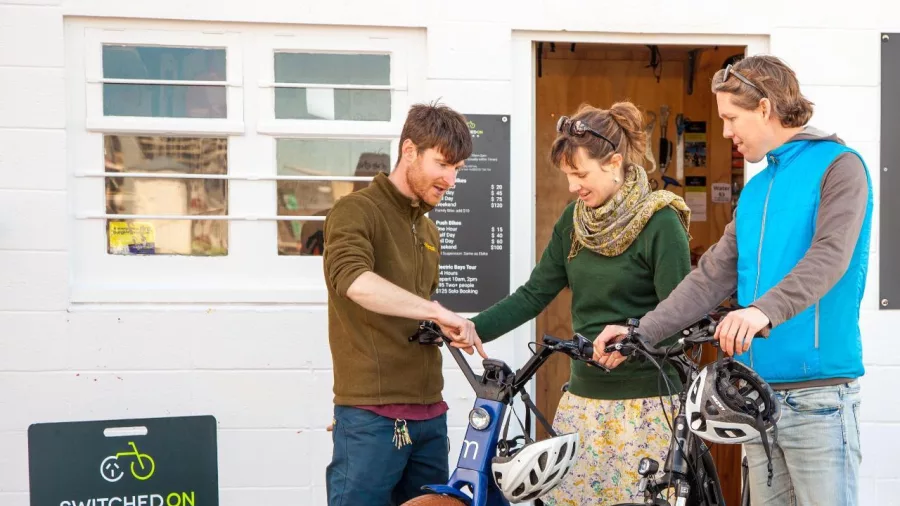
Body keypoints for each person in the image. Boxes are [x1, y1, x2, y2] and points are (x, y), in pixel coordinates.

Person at [595, 55, 872, 506]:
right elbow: (710, 277)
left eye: (731, 118)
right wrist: (638, 332)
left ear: (764, 107)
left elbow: (830, 255)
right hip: (756, 399)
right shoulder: (758, 188)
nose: (725, 131)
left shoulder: (840, 166)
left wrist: (762, 310)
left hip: (819, 399)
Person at [469, 102, 693, 505]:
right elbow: (534, 294)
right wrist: (472, 328)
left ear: (614, 163)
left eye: (581, 174)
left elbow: (680, 317)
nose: (573, 186)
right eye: (568, 176)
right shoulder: (573, 222)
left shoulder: (661, 222)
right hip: (583, 404)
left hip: (647, 407)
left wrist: (632, 341)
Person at [323, 102, 488, 506]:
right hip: (372, 416)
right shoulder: (355, 210)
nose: (451, 179)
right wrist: (435, 310)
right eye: (443, 164)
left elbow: (412, 305)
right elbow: (353, 281)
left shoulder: (428, 229)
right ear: (410, 150)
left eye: (458, 169)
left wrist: (440, 324)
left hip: (430, 414)